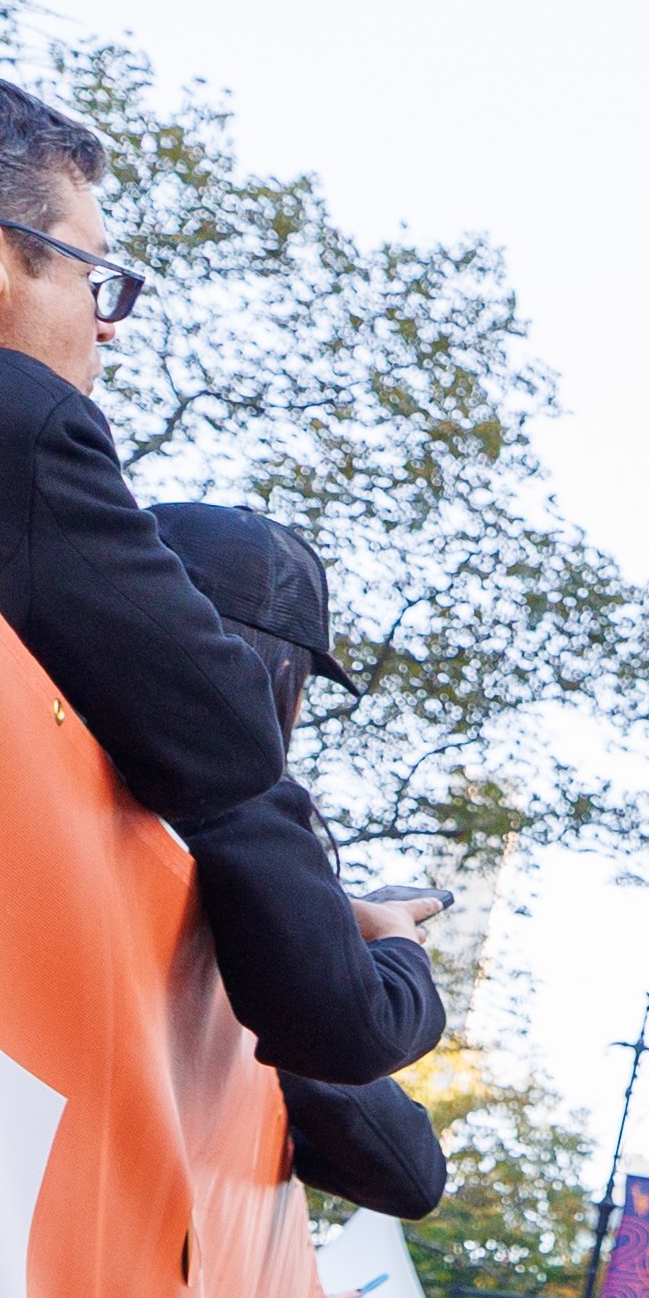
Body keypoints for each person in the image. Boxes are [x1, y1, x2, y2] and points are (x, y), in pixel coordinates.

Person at [0, 46, 439, 1078]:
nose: (107, 331)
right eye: (94, 279)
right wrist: (394, 953)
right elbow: (226, 744)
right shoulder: (17, 431)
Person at [144, 502, 452, 1215]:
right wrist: (394, 940)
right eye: (304, 684)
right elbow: (404, 1157)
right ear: (273, 670)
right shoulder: (230, 789)